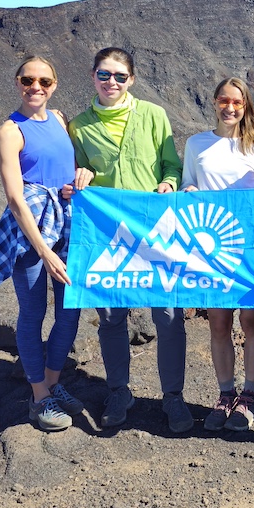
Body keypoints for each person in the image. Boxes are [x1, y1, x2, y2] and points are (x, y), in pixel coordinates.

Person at [67, 46, 191, 432]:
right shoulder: (80, 125)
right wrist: (81, 174)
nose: (112, 83)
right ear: (92, 77)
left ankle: (173, 397)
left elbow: (172, 163)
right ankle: (119, 390)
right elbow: (76, 167)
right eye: (104, 75)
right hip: (107, 233)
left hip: (155, 230)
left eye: (120, 76)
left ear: (131, 80)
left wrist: (170, 181)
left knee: (169, 317)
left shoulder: (153, 115)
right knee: (111, 318)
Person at [0, 56, 83, 432]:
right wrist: (44, 251)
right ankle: (39, 397)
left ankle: (54, 382)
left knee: (70, 311)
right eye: (27, 80)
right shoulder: (10, 130)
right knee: (33, 312)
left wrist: (76, 181)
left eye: (44, 81)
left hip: (67, 223)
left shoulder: (58, 119)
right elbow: (15, 197)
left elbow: (60, 173)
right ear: (17, 81)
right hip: (33, 232)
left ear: (54, 84)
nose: (35, 87)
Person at [180, 77, 254, 432]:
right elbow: (189, 181)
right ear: (215, 102)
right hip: (212, 247)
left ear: (245, 105)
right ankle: (225, 394)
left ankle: (250, 396)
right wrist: (190, 190)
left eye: (237, 102)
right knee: (218, 323)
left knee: (251, 322)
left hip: (249, 245)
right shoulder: (197, 144)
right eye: (224, 100)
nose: (230, 107)